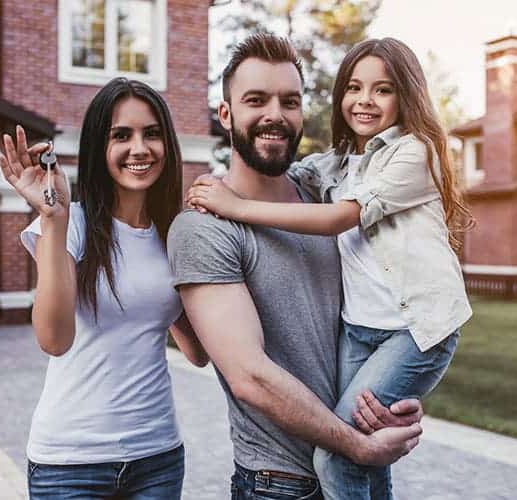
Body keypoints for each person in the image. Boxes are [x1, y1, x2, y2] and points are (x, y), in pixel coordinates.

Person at [186, 37, 473, 500]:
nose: (365, 100)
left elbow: (339, 217)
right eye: (354, 88)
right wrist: (219, 190)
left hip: (413, 328)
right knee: (364, 452)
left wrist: (235, 205)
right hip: (356, 337)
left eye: (383, 90)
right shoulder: (338, 166)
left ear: (407, 95)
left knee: (342, 459)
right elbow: (244, 374)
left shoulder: (413, 152)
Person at [0, 77, 208, 500]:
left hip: (158, 458)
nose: (140, 148)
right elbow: (54, 339)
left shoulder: (175, 234)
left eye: (152, 134)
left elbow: (198, 353)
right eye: (121, 135)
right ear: (99, 147)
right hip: (70, 464)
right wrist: (53, 218)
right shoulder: (68, 223)